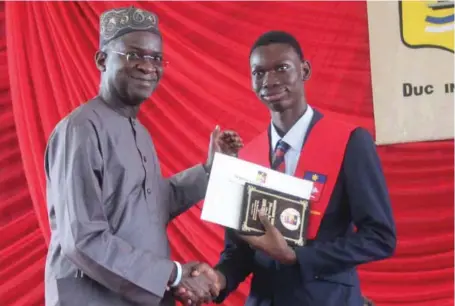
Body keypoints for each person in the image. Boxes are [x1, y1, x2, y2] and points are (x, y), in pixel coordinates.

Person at [179, 30, 397, 305]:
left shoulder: (349, 142)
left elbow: (379, 237)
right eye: (259, 72)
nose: (270, 80)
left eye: (281, 68)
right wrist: (217, 278)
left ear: (304, 70)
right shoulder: (247, 157)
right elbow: (240, 251)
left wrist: (296, 256)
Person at [44, 6, 241, 306]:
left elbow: (149, 206)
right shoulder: (80, 129)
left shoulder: (140, 132)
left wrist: (210, 169)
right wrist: (172, 275)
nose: (148, 66)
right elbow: (82, 240)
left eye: (156, 58)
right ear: (102, 60)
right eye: (133, 54)